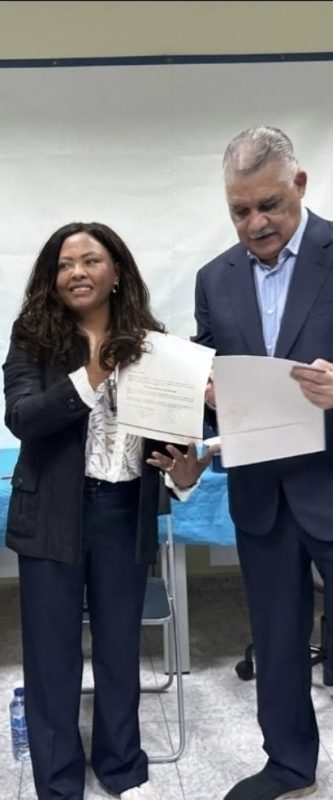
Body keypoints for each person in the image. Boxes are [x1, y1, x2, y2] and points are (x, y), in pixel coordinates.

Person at [194, 127, 333, 800]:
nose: (254, 223)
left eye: (267, 205)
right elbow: (211, 373)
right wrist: (204, 397)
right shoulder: (215, 277)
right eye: (239, 210)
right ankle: (288, 764)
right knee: (275, 641)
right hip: (263, 493)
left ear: (298, 185)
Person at [2, 221, 215, 800]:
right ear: (52, 278)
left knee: (121, 648)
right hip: (52, 512)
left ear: (116, 271)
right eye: (64, 264)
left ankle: (121, 766)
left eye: (90, 260)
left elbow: (171, 441)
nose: (77, 272)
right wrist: (94, 372)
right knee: (52, 656)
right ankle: (58, 782)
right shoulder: (33, 337)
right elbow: (23, 418)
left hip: (124, 510)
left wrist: (183, 475)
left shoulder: (156, 345)